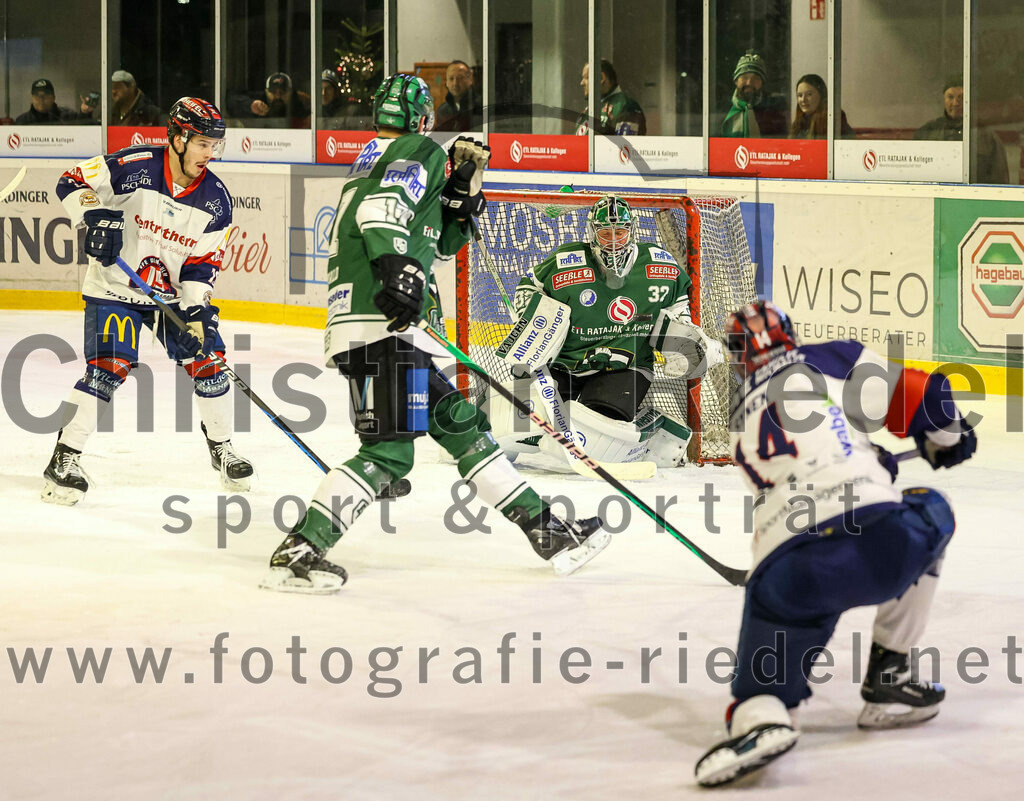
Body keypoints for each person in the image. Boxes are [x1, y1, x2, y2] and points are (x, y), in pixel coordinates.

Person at [259, 74, 610, 594]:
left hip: (376, 322)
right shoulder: (418, 149)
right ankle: (300, 551)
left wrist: (463, 194)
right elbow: (380, 214)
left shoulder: (378, 156)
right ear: (423, 118)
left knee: (464, 429)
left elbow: (438, 245)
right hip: (382, 323)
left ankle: (548, 532)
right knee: (388, 454)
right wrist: (397, 273)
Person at [694, 301, 977, 787]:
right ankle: (891, 672)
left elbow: (802, 467)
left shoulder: (740, 418)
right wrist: (948, 437)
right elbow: (925, 396)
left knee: (760, 690)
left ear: (739, 359)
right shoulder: (828, 358)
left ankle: (761, 718)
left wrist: (871, 457)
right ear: (790, 336)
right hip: (875, 542)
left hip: (784, 571)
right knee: (933, 506)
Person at [42, 98, 253, 506]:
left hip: (169, 298)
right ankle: (63, 459)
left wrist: (196, 315)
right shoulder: (135, 165)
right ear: (177, 138)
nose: (209, 154)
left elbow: (201, 266)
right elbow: (71, 181)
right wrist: (94, 216)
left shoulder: (216, 201)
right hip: (114, 287)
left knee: (209, 361)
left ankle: (223, 449)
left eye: (215, 146)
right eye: (202, 144)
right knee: (109, 368)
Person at [490, 195, 720, 470]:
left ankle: (655, 429)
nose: (613, 240)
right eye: (605, 233)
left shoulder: (659, 265)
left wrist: (683, 339)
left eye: (619, 232)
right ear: (592, 233)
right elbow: (529, 286)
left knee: (596, 430)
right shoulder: (567, 261)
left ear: (631, 231)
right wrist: (530, 314)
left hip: (624, 367)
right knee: (517, 423)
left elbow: (678, 308)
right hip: (564, 363)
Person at [915, 76, 1009, 184]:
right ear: (943, 99)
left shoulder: (986, 136)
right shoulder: (927, 132)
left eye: (962, 97)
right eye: (950, 97)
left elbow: (1000, 181)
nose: (956, 103)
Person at [720, 50, 787, 138]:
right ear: (736, 81)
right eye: (744, 78)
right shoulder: (722, 109)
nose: (749, 83)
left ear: (762, 83)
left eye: (755, 78)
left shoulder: (773, 112)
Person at [574, 60, 647, 136]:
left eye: (586, 78)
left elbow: (625, 143)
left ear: (601, 78)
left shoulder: (626, 106)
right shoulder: (589, 109)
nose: (581, 83)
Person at [788, 73, 854, 139]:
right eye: (800, 95)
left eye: (809, 94)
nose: (803, 100)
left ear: (821, 95)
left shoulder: (832, 118)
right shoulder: (799, 122)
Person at [434, 60, 482, 132]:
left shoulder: (482, 105)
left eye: (460, 78)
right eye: (451, 79)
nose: (455, 83)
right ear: (446, 83)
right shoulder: (442, 111)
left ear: (470, 80)